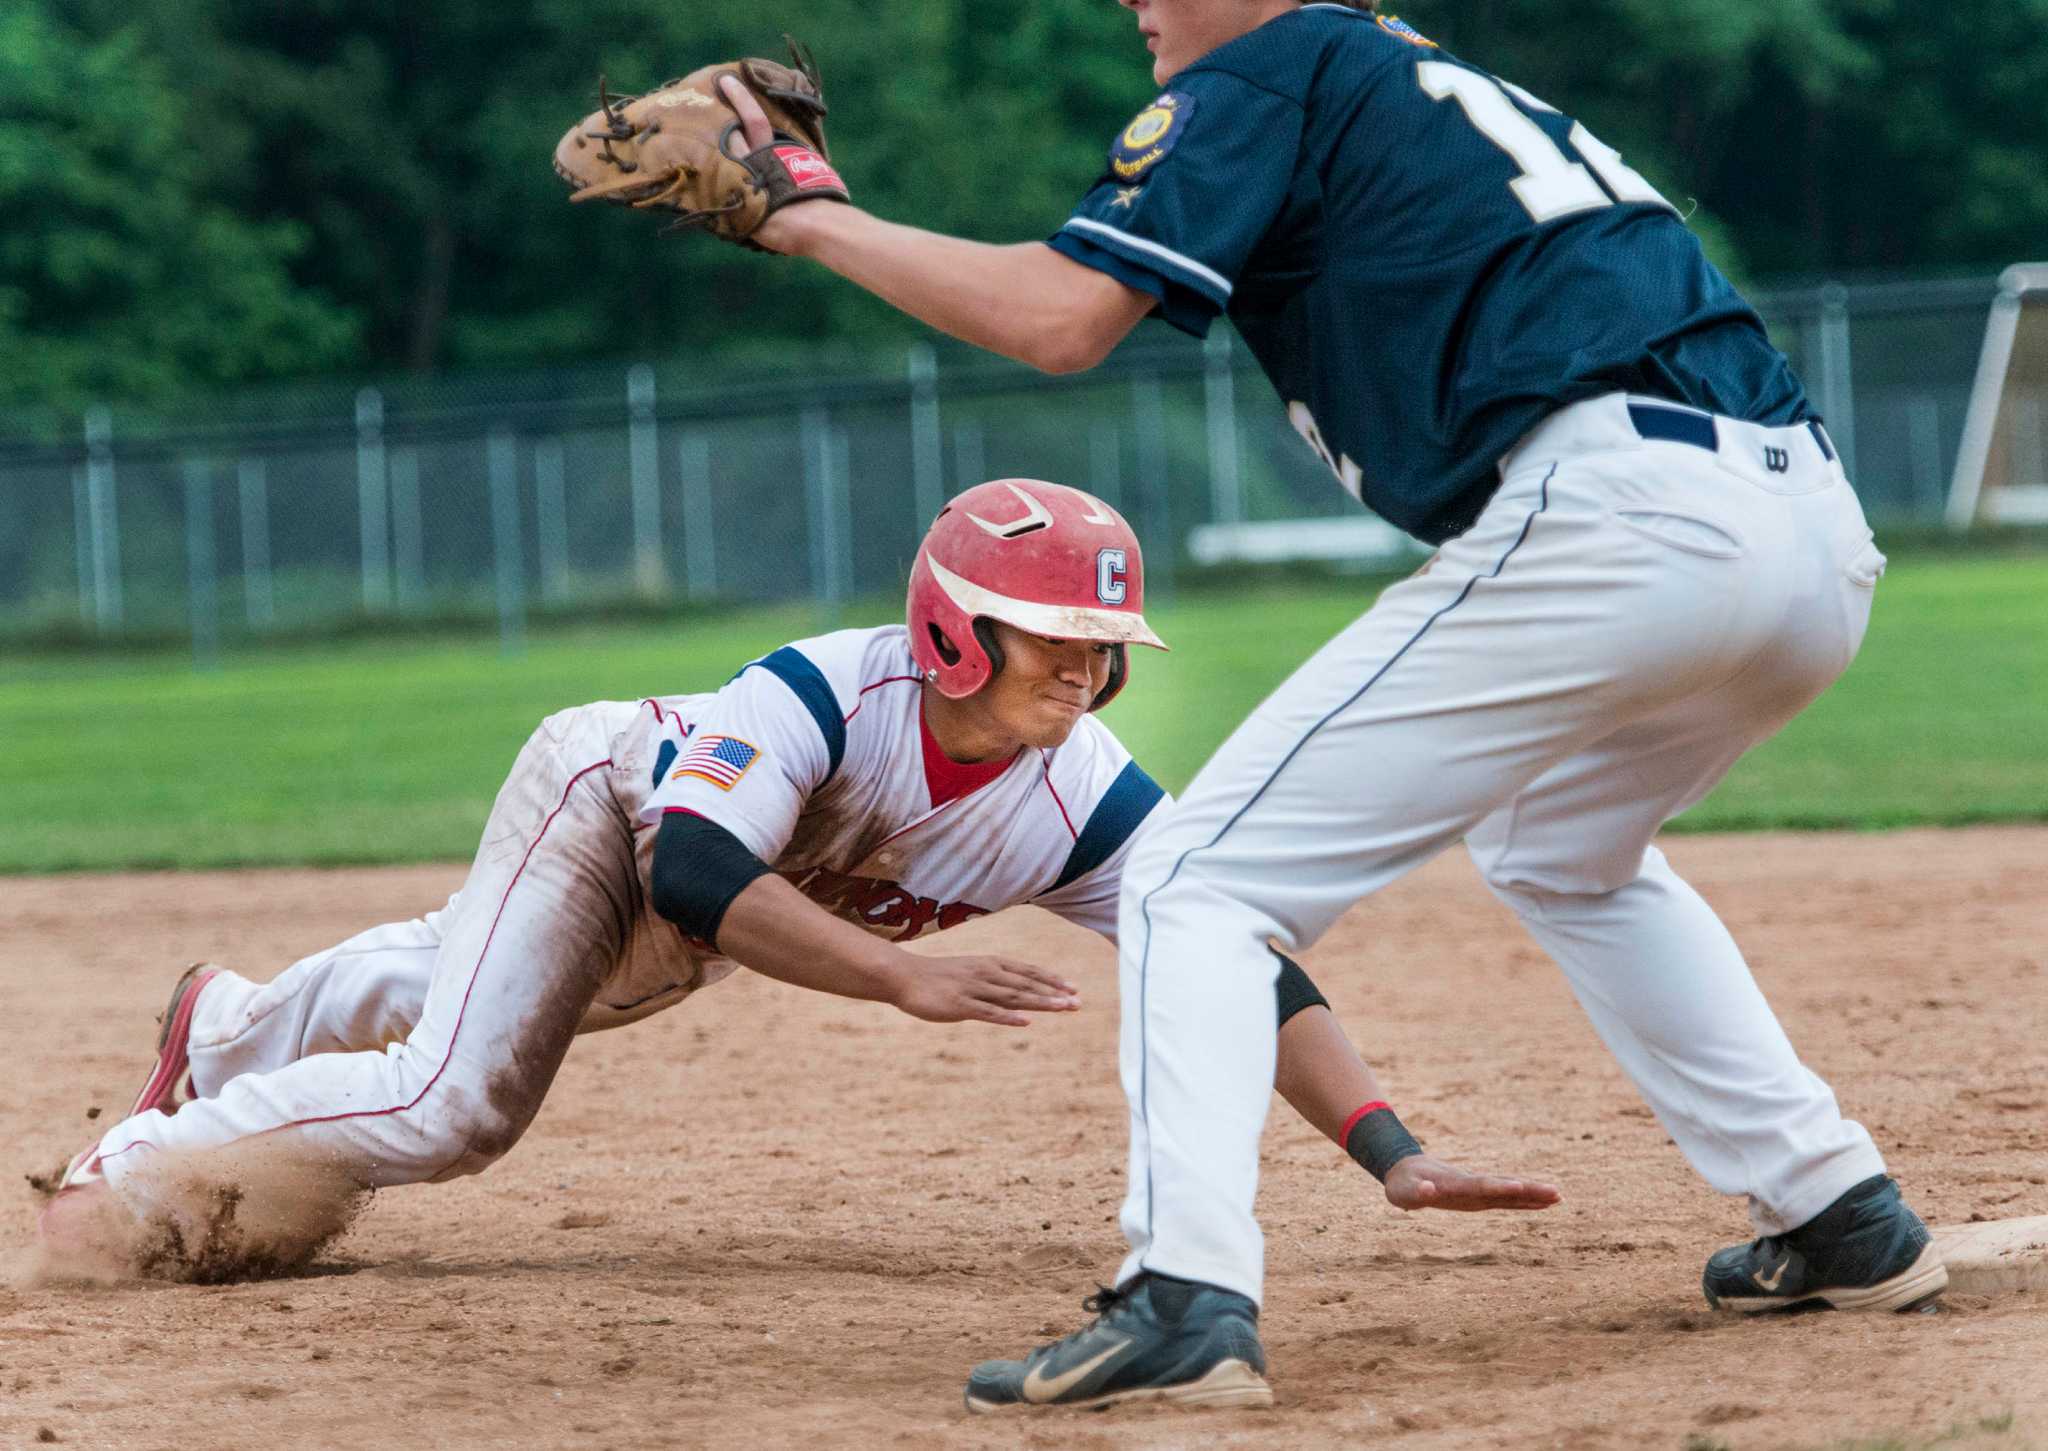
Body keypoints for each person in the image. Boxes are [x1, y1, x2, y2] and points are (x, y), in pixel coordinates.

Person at [711, 0, 1947, 1414]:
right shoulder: (1418, 84)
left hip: (1623, 517)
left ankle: (1184, 1292)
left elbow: (1060, 321)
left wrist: (801, 216)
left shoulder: (1274, 64)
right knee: (1563, 851)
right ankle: (1836, 1206)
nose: (1140, 5)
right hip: (1806, 530)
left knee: (1192, 881)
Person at [38, 478, 1557, 1279]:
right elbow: (696, 869)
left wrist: (1388, 1146)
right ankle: (136, 1172)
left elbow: (1241, 958)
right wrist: (905, 975)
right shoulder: (823, 696)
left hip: (731, 898)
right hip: (614, 806)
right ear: (957, 631)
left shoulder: (1078, 800)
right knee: (462, 1100)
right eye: (1059, 637)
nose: (1095, 669)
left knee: (472, 980)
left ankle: (234, 1025)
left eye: (1108, 647)